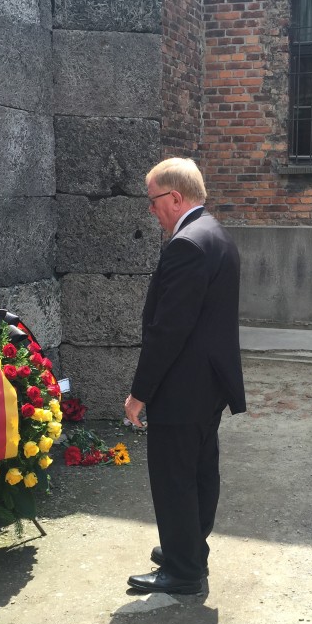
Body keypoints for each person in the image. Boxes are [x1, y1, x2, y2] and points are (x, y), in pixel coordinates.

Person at [124, 158, 246, 594]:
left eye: (153, 201)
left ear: (175, 198)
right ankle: (189, 547)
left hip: (183, 383)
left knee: (174, 476)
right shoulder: (215, 234)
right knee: (199, 469)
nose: (151, 210)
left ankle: (183, 570)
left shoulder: (186, 244)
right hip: (206, 382)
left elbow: (167, 330)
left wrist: (140, 393)